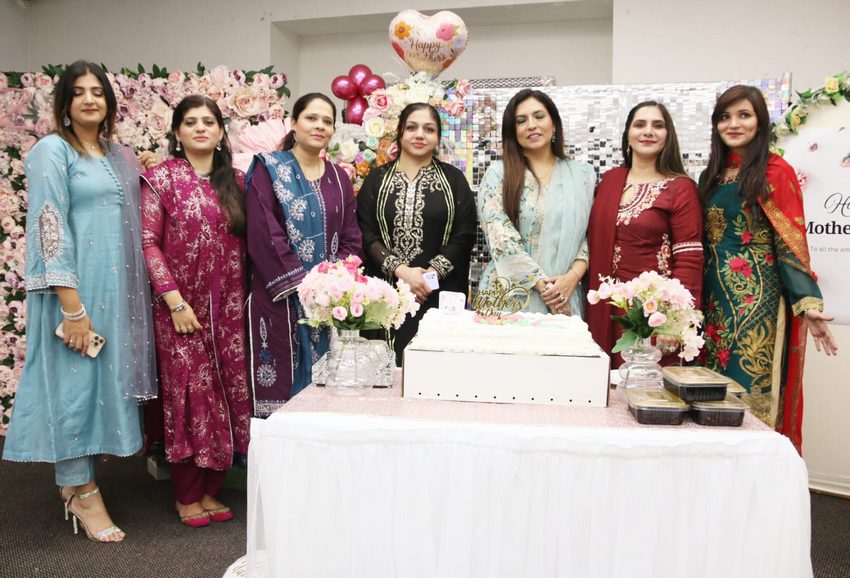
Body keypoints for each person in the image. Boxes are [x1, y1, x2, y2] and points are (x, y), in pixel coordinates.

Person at [2, 61, 156, 542]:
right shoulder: (53, 151)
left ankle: (83, 479)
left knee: (97, 385)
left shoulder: (117, 155)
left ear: (110, 101)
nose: (90, 99)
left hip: (115, 292)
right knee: (73, 387)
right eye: (79, 92)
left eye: (98, 92)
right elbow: (49, 226)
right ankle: (79, 489)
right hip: (75, 292)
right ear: (65, 103)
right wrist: (72, 308)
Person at [700, 85, 838, 451]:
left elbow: (791, 246)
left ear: (760, 121)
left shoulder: (775, 172)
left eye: (744, 115)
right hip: (712, 306)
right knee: (708, 395)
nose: (734, 124)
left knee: (747, 397)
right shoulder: (711, 175)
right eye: (725, 117)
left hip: (756, 305)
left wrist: (808, 304)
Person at [141, 95, 253, 526]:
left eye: (209, 121)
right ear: (177, 132)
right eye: (191, 122)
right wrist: (174, 300)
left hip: (228, 309)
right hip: (179, 312)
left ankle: (211, 489)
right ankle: (186, 493)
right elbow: (149, 242)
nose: (200, 128)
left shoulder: (238, 182)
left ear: (222, 132)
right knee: (190, 397)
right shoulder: (159, 180)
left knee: (226, 393)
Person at [246, 93, 362, 416]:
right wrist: (303, 285)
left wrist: (334, 285)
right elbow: (264, 232)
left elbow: (352, 236)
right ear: (294, 123)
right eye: (312, 118)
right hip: (279, 298)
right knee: (282, 390)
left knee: (327, 397)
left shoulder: (340, 178)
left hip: (328, 303)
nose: (320, 126)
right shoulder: (267, 170)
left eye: (327, 121)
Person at [357, 103, 477, 363]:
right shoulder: (377, 180)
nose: (419, 134)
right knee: (383, 371)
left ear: (438, 137)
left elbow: (465, 235)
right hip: (385, 293)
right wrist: (403, 272)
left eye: (429, 129)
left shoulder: (454, 180)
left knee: (434, 372)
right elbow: (366, 233)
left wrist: (427, 279)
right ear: (400, 133)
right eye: (412, 127)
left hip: (438, 294)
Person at [586, 101, 704, 366]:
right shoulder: (609, 181)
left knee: (648, 390)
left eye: (658, 125)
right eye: (640, 125)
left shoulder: (680, 188)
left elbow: (689, 258)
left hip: (653, 314)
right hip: (608, 308)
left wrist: (675, 322)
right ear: (628, 134)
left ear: (668, 136)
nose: (648, 131)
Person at [477, 89, 595, 316]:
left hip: (567, 294)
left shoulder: (582, 176)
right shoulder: (498, 174)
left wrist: (572, 278)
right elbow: (499, 236)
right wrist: (547, 289)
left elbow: (591, 236)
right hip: (508, 300)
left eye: (539, 116)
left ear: (554, 123)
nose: (531, 125)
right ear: (513, 131)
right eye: (521, 121)